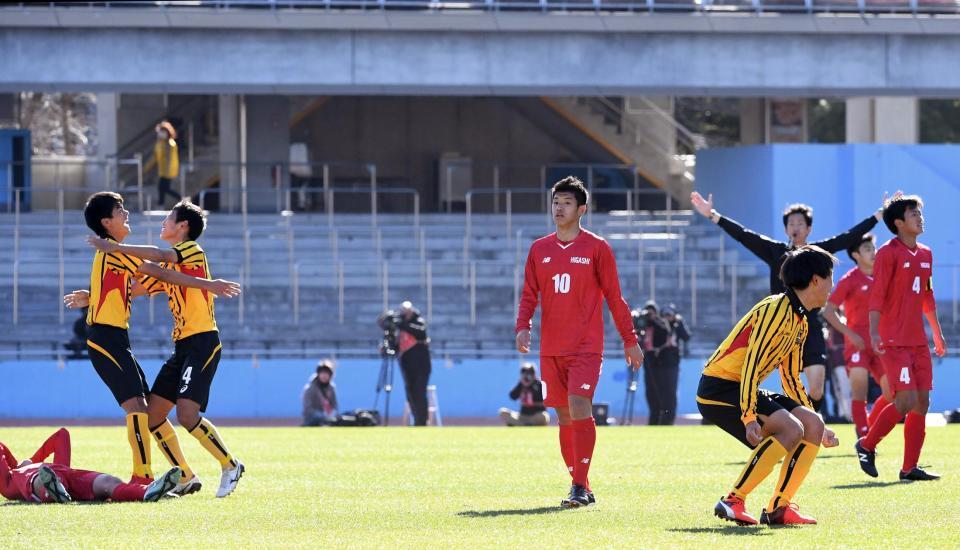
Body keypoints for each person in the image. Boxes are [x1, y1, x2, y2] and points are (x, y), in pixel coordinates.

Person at [64, 192, 239, 488]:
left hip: (198, 342)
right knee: (143, 410)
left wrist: (210, 284)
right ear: (107, 221)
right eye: (121, 210)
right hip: (114, 338)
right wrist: (92, 296)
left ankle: (207, 470)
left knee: (159, 412)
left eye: (168, 218)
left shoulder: (190, 250)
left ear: (182, 226)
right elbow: (152, 275)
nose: (127, 214)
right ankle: (154, 477)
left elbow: (155, 270)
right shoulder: (114, 252)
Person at [691, 190, 891, 414]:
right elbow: (744, 235)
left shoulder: (817, 253)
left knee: (816, 388)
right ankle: (787, 420)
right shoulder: (776, 252)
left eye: (801, 222)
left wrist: (880, 214)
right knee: (788, 381)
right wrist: (713, 215)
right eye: (791, 223)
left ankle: (810, 424)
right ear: (786, 228)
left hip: (811, 327)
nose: (796, 226)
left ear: (808, 228)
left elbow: (847, 237)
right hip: (782, 325)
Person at [516, 176, 643, 508]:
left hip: (586, 346)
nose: (559, 208)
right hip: (551, 348)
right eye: (556, 202)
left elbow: (615, 298)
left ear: (582, 209)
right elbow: (529, 294)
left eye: (567, 202)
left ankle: (576, 485)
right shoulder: (539, 249)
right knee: (563, 415)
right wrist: (523, 325)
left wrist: (630, 340)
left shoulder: (597, 248)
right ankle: (582, 486)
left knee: (578, 406)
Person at [700, 246, 840, 526]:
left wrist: (819, 420)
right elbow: (751, 361)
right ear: (815, 280)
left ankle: (779, 508)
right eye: (830, 278)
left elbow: (789, 376)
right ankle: (733, 500)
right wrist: (749, 415)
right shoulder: (776, 308)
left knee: (810, 424)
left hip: (742, 387)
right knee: (791, 428)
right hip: (719, 387)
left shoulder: (799, 321)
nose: (831, 286)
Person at [855, 195, 947, 481]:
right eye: (913, 214)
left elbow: (927, 296)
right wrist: (873, 331)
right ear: (898, 223)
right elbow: (878, 294)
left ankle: (909, 468)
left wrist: (937, 334)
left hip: (918, 340)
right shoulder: (888, 253)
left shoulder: (926, 253)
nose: (920, 217)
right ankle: (866, 445)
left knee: (922, 403)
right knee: (905, 400)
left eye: (920, 212)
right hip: (893, 340)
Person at [822, 233, 893, 438]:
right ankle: (863, 436)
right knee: (859, 388)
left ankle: (868, 423)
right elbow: (829, 310)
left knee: (891, 393)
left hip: (880, 343)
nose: (873, 252)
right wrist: (850, 334)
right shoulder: (850, 279)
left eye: (874, 248)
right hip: (857, 344)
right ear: (856, 255)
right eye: (867, 249)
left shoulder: (885, 276)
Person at [1, 428, 182, 504]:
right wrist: (28, 464)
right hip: (39, 480)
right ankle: (53, 491)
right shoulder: (12, 482)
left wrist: (33, 460)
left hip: (65, 474)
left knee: (109, 481)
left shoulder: (30, 466)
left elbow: (61, 435)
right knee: (42, 479)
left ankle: (147, 492)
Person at [634, 301, 674, 425]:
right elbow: (635, 333)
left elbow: (666, 331)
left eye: (652, 312)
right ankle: (654, 416)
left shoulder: (660, 323)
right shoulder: (643, 324)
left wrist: (655, 319)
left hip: (661, 362)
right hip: (649, 360)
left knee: (663, 391)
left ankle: (665, 418)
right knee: (650, 391)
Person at [396, 300, 432, 426]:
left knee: (419, 392)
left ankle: (422, 421)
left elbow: (421, 332)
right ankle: (417, 419)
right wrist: (385, 346)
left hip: (421, 364)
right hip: (406, 365)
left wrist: (402, 325)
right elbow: (395, 345)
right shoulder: (399, 328)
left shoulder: (418, 321)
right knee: (410, 393)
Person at [499, 362, 549, 426]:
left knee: (544, 416)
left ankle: (520, 424)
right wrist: (521, 384)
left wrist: (531, 385)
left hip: (536, 415)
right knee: (503, 412)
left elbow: (544, 399)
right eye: (524, 373)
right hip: (522, 416)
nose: (527, 376)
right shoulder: (521, 384)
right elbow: (512, 396)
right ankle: (526, 425)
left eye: (529, 373)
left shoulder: (540, 384)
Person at [302, 360, 340, 426]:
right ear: (318, 374)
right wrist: (322, 415)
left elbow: (335, 405)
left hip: (329, 419)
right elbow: (308, 409)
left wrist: (333, 413)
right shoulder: (310, 388)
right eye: (322, 373)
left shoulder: (331, 388)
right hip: (313, 421)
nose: (324, 376)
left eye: (326, 373)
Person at [154, 121, 181, 208]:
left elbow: (169, 159)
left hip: (168, 170)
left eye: (163, 132)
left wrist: (167, 170)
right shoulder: (161, 143)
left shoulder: (170, 143)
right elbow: (157, 156)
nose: (161, 134)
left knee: (163, 187)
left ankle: (162, 203)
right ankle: (161, 203)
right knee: (163, 188)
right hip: (163, 170)